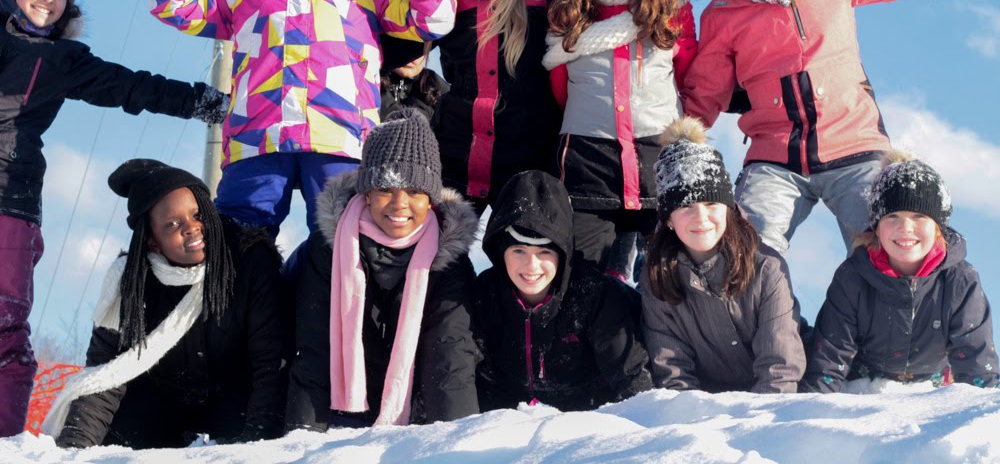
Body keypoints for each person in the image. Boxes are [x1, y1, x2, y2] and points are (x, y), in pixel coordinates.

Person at [681, 0, 1000, 255]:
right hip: (775, 157)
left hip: (853, 148)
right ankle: (770, 318)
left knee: (887, 249)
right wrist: (677, 142)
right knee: (745, 253)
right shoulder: (724, 11)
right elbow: (703, 92)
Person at [149, 0, 456, 238]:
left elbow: (437, 17)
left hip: (340, 139)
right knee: (239, 249)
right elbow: (169, 4)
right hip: (256, 139)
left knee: (341, 248)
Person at [0, 0, 227, 437]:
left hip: (11, 201)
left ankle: (7, 441)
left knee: (6, 325)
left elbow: (131, 86)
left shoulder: (64, 62)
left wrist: (203, 103)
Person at [44, 159, 285, 447]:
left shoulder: (250, 261)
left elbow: (270, 361)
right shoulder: (130, 283)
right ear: (152, 241)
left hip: (236, 403)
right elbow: (104, 376)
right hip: (159, 406)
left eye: (198, 215)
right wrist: (73, 449)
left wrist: (261, 445)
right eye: (173, 224)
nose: (192, 228)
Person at [285, 109, 479, 429]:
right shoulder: (328, 248)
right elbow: (314, 351)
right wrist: (302, 440)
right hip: (340, 411)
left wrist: (453, 444)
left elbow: (450, 358)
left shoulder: (449, 259)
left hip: (415, 414)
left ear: (430, 199)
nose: (399, 204)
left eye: (415, 192)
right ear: (367, 193)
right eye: (386, 189)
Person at [545, 0, 697, 271]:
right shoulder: (571, 11)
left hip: (658, 155)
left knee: (665, 277)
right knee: (587, 275)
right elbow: (559, 87)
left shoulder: (670, 6)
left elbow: (689, 72)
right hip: (588, 161)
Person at [801, 151, 999, 392]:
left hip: (931, 392)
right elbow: (828, 364)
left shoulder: (959, 281)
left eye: (918, 216)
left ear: (938, 227)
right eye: (892, 216)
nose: (905, 228)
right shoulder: (853, 278)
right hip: (862, 390)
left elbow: (977, 369)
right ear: (876, 226)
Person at [641, 117, 805, 393]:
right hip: (707, 411)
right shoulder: (657, 277)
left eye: (711, 204)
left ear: (728, 208)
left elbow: (780, 369)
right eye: (686, 207)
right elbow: (672, 370)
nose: (701, 218)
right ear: (668, 219)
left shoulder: (767, 267)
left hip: (773, 404)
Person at [434, 0, 560, 215]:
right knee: (442, 260)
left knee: (520, 259)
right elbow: (407, 44)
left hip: (524, 155)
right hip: (456, 154)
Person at [473, 170, 651, 411]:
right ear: (500, 251)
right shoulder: (485, 294)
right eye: (519, 251)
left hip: (592, 418)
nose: (531, 266)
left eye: (544, 253)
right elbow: (473, 375)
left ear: (562, 253)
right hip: (511, 426)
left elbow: (632, 377)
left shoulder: (594, 294)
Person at [379, 36, 448, 122]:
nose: (410, 55)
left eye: (420, 48)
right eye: (402, 44)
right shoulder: (366, 80)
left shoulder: (441, 91)